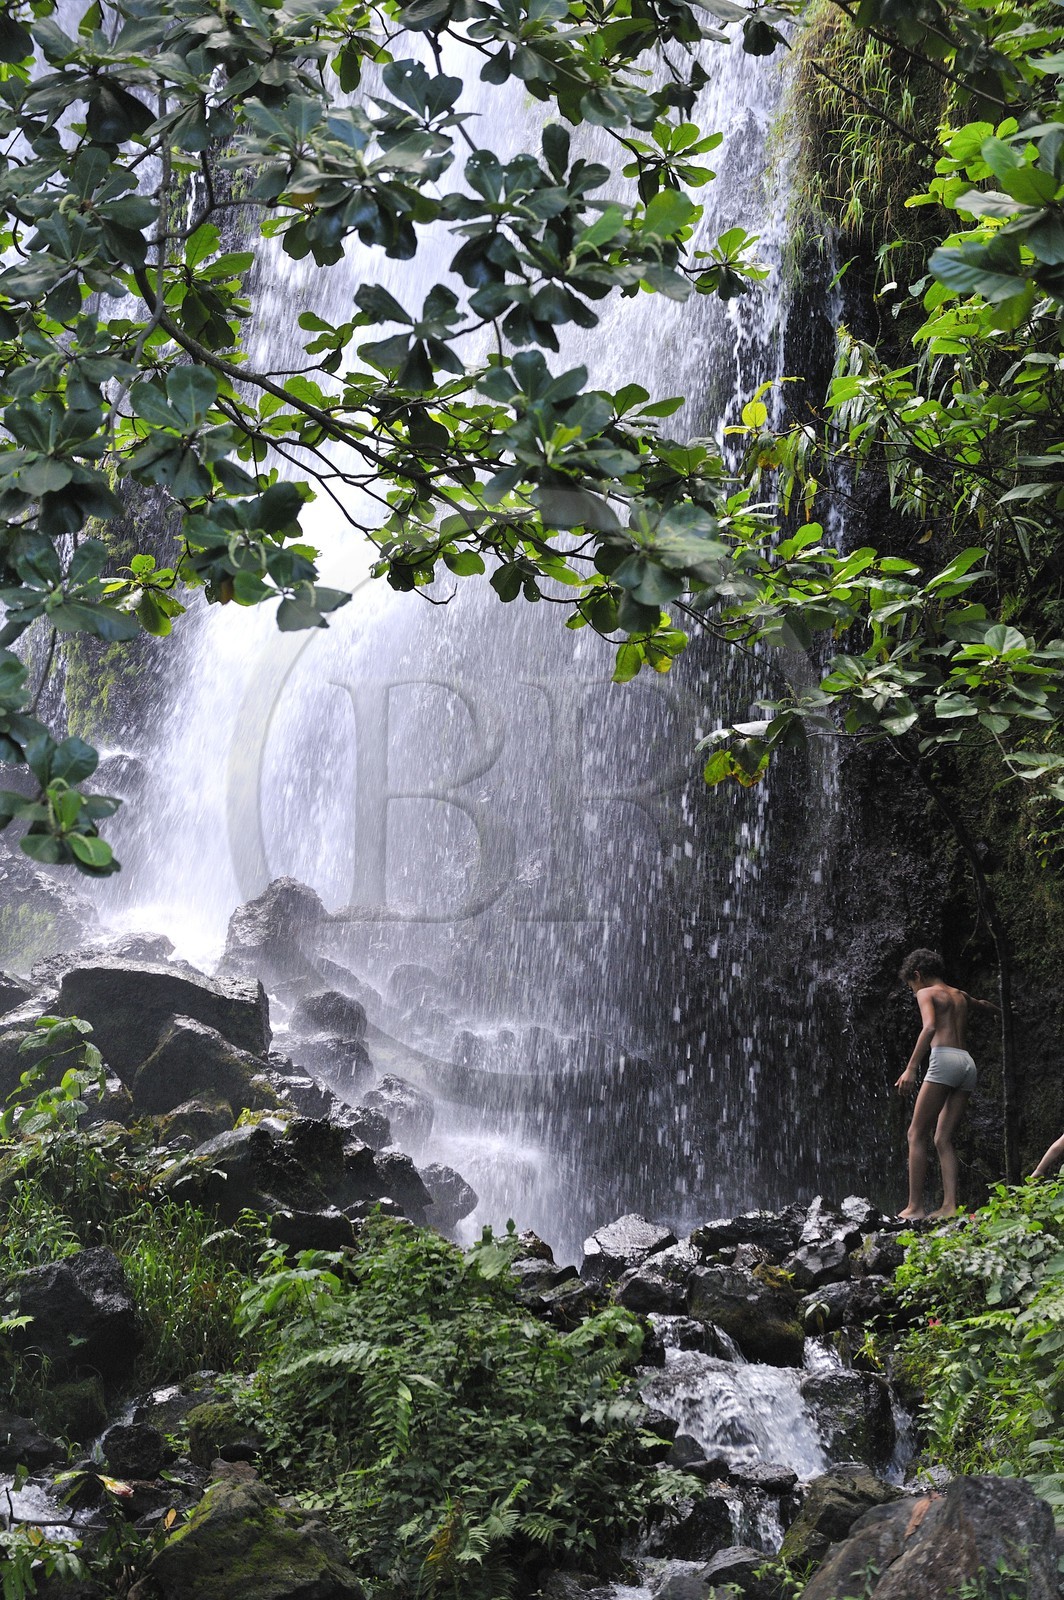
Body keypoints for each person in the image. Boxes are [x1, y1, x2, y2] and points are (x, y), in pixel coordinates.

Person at [894, 948, 999, 1220]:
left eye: (911, 985)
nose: (912, 991)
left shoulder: (926, 993)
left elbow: (929, 1027)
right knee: (943, 1138)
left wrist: (911, 1068)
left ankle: (915, 1207)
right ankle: (950, 1205)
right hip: (967, 1064)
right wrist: (1001, 1011)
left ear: (917, 975)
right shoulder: (959, 995)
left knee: (916, 1134)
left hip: (944, 1059)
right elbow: (982, 1005)